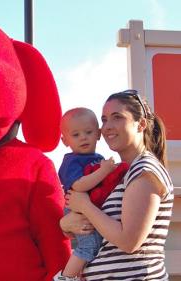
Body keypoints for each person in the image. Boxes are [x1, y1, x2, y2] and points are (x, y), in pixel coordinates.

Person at [61, 90, 174, 280]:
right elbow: (98, 226)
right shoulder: (118, 173)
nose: (107, 127)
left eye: (117, 117)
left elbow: (129, 241)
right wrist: (65, 224)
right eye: (104, 120)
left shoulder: (144, 171)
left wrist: (85, 206)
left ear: (141, 124)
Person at [55, 108, 128, 281]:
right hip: (77, 211)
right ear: (65, 140)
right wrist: (104, 171)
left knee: (97, 246)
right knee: (88, 247)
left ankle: (81, 274)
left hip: (92, 211)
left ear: (98, 134)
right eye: (76, 134)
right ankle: (65, 277)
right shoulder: (71, 161)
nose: (83, 137)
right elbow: (79, 186)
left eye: (88, 132)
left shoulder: (99, 157)